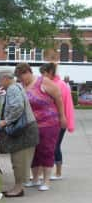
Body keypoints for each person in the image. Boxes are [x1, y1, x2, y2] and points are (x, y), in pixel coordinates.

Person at [14, 63, 66, 191]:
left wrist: (62, 116)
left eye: (21, 77)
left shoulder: (44, 82)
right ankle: (35, 178)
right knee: (33, 151)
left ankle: (46, 180)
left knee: (46, 150)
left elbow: (58, 98)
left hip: (48, 123)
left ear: (27, 72)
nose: (21, 80)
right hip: (31, 124)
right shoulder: (21, 86)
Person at [0, 69, 39, 197]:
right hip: (26, 130)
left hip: (24, 131)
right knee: (18, 160)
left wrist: (6, 121)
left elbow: (17, 107)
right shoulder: (17, 87)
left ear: (5, 78)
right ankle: (17, 187)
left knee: (20, 161)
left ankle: (18, 189)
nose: (0, 83)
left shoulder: (12, 89)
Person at [40, 63, 75, 179]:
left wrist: (66, 120)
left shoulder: (59, 85)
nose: (42, 76)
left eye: (43, 73)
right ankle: (48, 172)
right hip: (52, 120)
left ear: (49, 72)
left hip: (58, 121)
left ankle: (58, 172)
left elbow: (66, 104)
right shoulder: (54, 84)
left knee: (54, 146)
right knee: (51, 146)